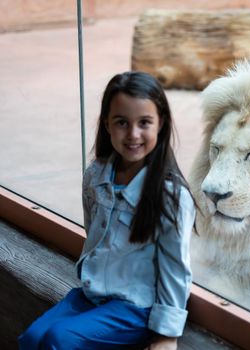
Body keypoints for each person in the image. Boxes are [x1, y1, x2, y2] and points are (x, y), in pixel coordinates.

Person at [18, 71, 195, 349]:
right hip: (93, 296)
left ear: (160, 124)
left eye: (144, 122)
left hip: (135, 308)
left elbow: (176, 269)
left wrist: (167, 334)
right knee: (32, 339)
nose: (133, 134)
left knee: (59, 340)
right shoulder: (95, 175)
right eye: (122, 122)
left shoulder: (171, 196)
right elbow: (94, 235)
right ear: (107, 125)